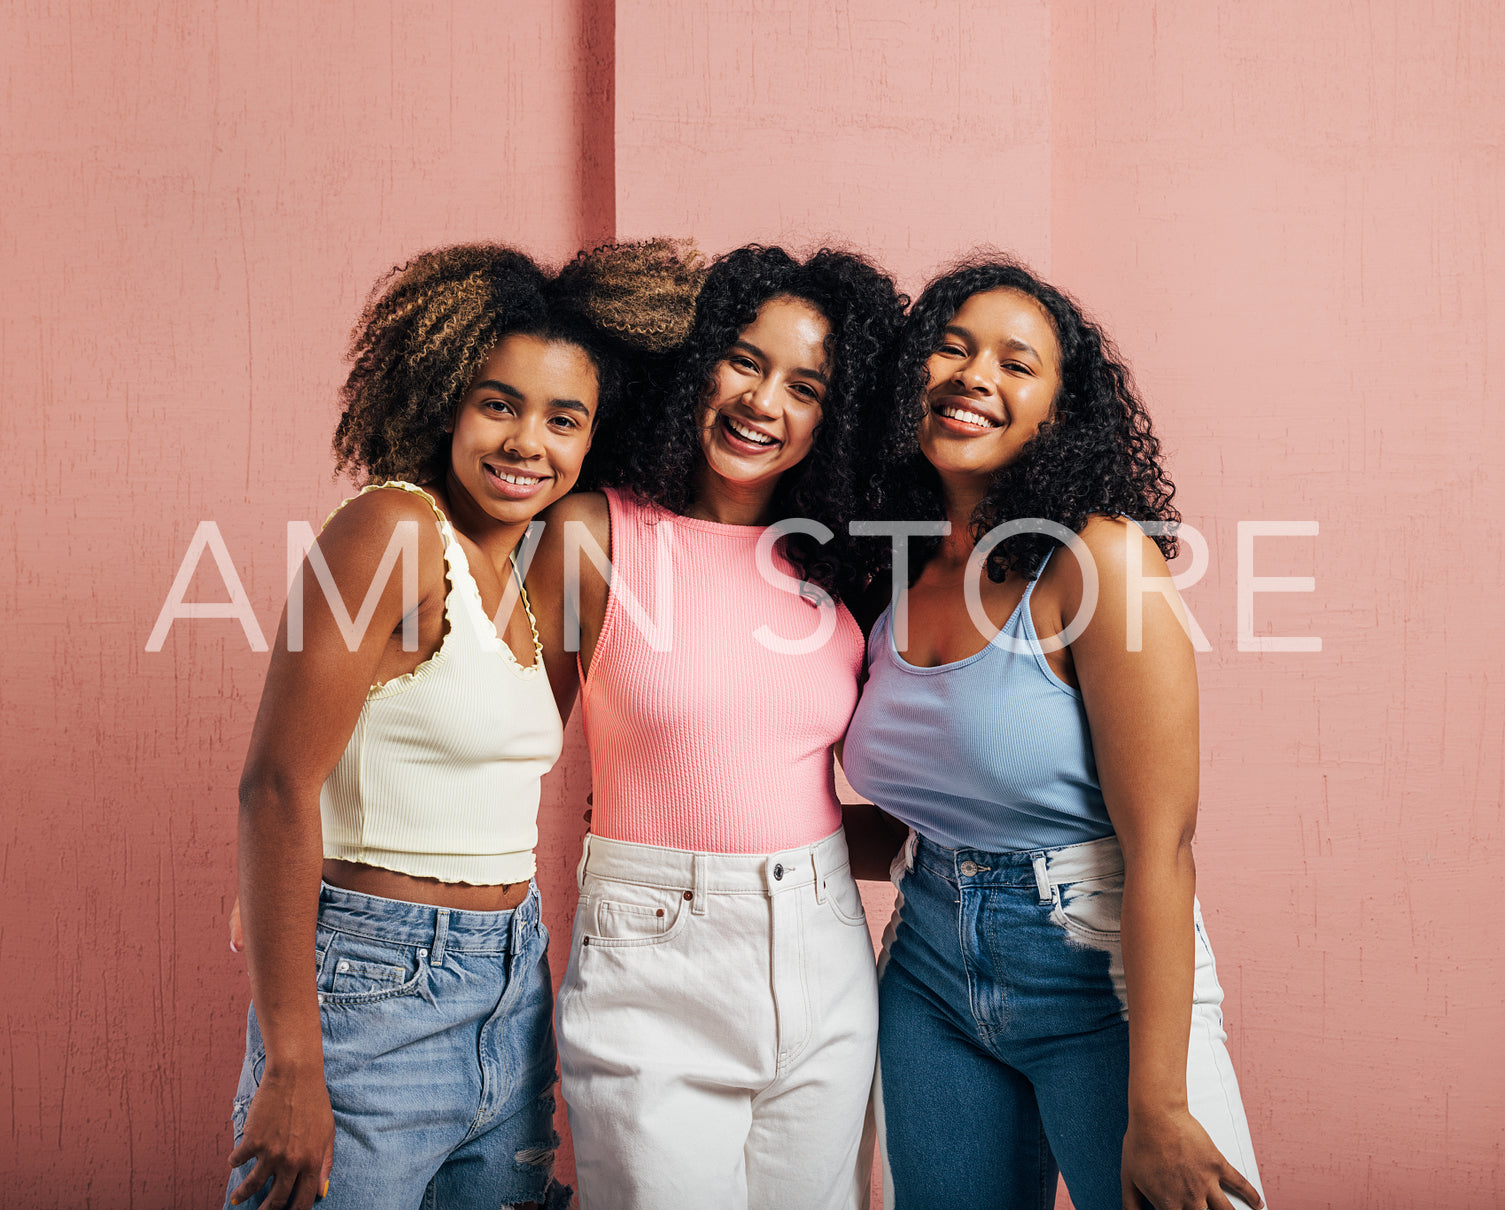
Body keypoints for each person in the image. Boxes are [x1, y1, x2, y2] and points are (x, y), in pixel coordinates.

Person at [224, 240, 704, 1210]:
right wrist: (290, 1062)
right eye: (498, 403)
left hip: (510, 984)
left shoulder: (535, 581)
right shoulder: (390, 533)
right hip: (370, 986)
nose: (528, 441)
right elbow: (274, 787)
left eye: (562, 419)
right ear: (443, 396)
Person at [841, 258, 1267, 1210]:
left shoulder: (1097, 560)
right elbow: (927, 820)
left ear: (1056, 415)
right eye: (949, 347)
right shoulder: (887, 570)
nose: (972, 375)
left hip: (1097, 970)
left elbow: (1163, 845)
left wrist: (1156, 1104)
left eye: (1014, 363)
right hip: (928, 970)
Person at [527, 244, 906, 1210]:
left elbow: (833, 792)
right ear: (695, 363)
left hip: (822, 948)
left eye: (805, 385)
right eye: (743, 360)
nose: (763, 402)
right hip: (652, 959)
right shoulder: (591, 534)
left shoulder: (840, 573)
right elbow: (506, 745)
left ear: (835, 417)